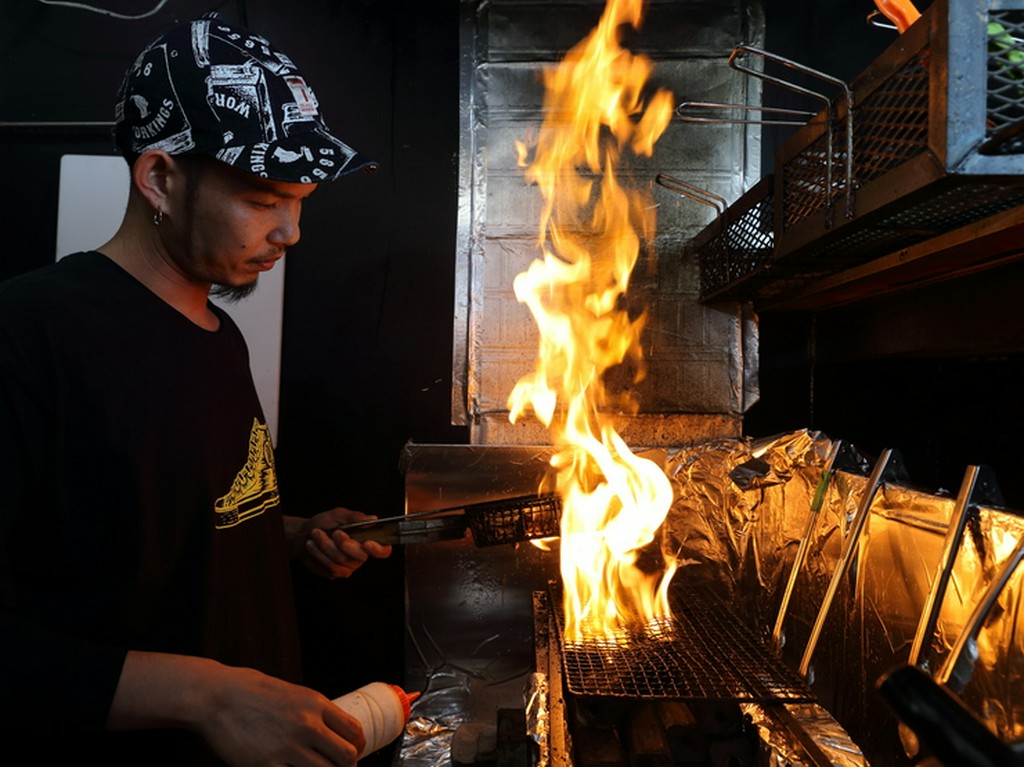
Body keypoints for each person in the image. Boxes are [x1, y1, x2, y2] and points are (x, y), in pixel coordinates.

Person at [0, 14, 392, 766]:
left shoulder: (222, 336)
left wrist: (289, 535)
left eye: (302, 200)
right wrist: (208, 695)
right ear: (159, 179)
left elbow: (155, 531)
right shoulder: (26, 336)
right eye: (263, 198)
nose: (292, 233)